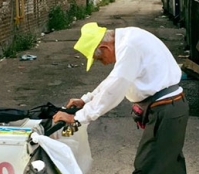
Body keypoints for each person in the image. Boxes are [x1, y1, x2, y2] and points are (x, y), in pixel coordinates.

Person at [53, 22, 189, 173]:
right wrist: (87, 99)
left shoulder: (129, 46)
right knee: (169, 165)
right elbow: (112, 80)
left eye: (99, 59)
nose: (103, 63)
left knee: (147, 166)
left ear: (105, 48)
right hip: (171, 108)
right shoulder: (128, 37)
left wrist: (77, 118)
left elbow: (115, 88)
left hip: (166, 110)